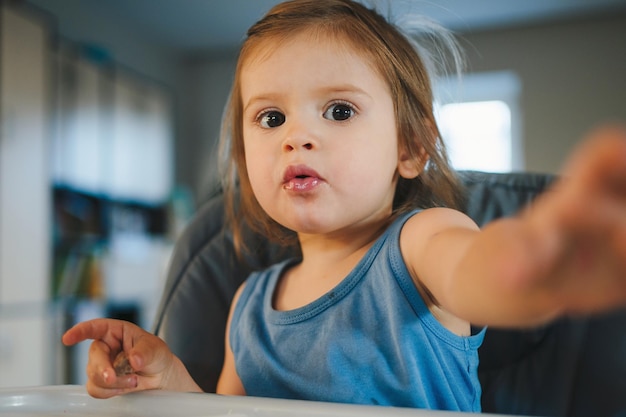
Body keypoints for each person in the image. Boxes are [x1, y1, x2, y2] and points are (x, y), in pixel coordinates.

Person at [62, 0, 626, 412]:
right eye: (271, 118)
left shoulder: (422, 242)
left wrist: (537, 264)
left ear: (410, 147)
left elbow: (477, 274)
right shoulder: (247, 304)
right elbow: (230, 414)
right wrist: (169, 383)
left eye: (337, 111)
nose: (296, 136)